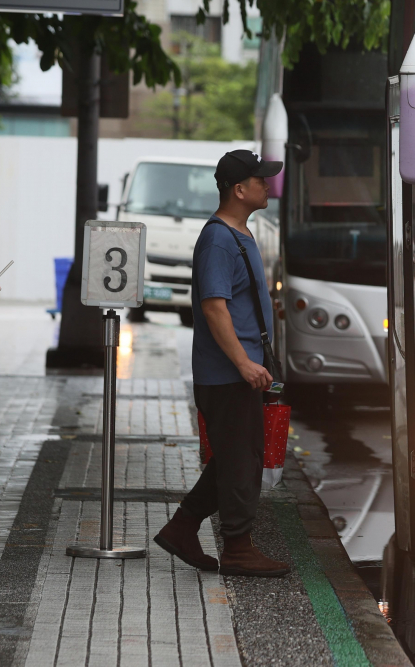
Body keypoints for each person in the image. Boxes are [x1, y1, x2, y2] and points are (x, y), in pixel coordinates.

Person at [154, 150, 290, 577]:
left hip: (240, 371)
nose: (268, 185)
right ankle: (236, 547)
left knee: (237, 457)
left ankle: (182, 528)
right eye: (260, 180)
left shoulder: (239, 235)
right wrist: (244, 364)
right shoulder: (217, 239)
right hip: (228, 373)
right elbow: (214, 307)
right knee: (238, 462)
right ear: (239, 189)